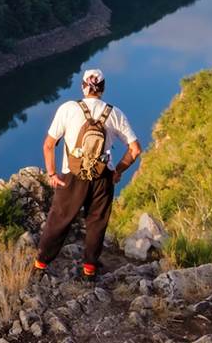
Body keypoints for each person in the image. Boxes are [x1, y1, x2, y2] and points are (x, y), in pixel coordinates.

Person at [35, 67, 140, 280]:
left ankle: (40, 265)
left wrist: (52, 174)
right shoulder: (114, 113)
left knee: (59, 219)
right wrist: (117, 171)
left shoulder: (68, 109)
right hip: (102, 177)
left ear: (83, 87)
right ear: (102, 89)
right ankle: (89, 271)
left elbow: (49, 145)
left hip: (71, 176)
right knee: (96, 222)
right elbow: (135, 149)